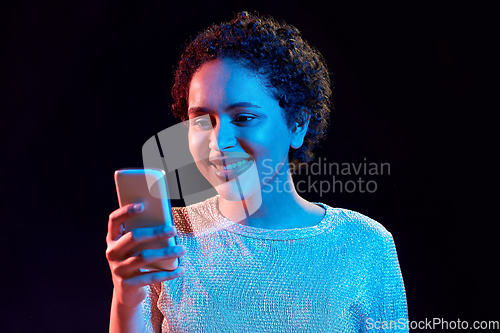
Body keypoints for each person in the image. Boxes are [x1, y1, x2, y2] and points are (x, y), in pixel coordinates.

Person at [106, 11, 408, 332]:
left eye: (244, 118)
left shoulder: (365, 246)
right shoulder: (169, 240)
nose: (219, 142)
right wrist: (128, 296)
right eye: (201, 120)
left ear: (298, 124)